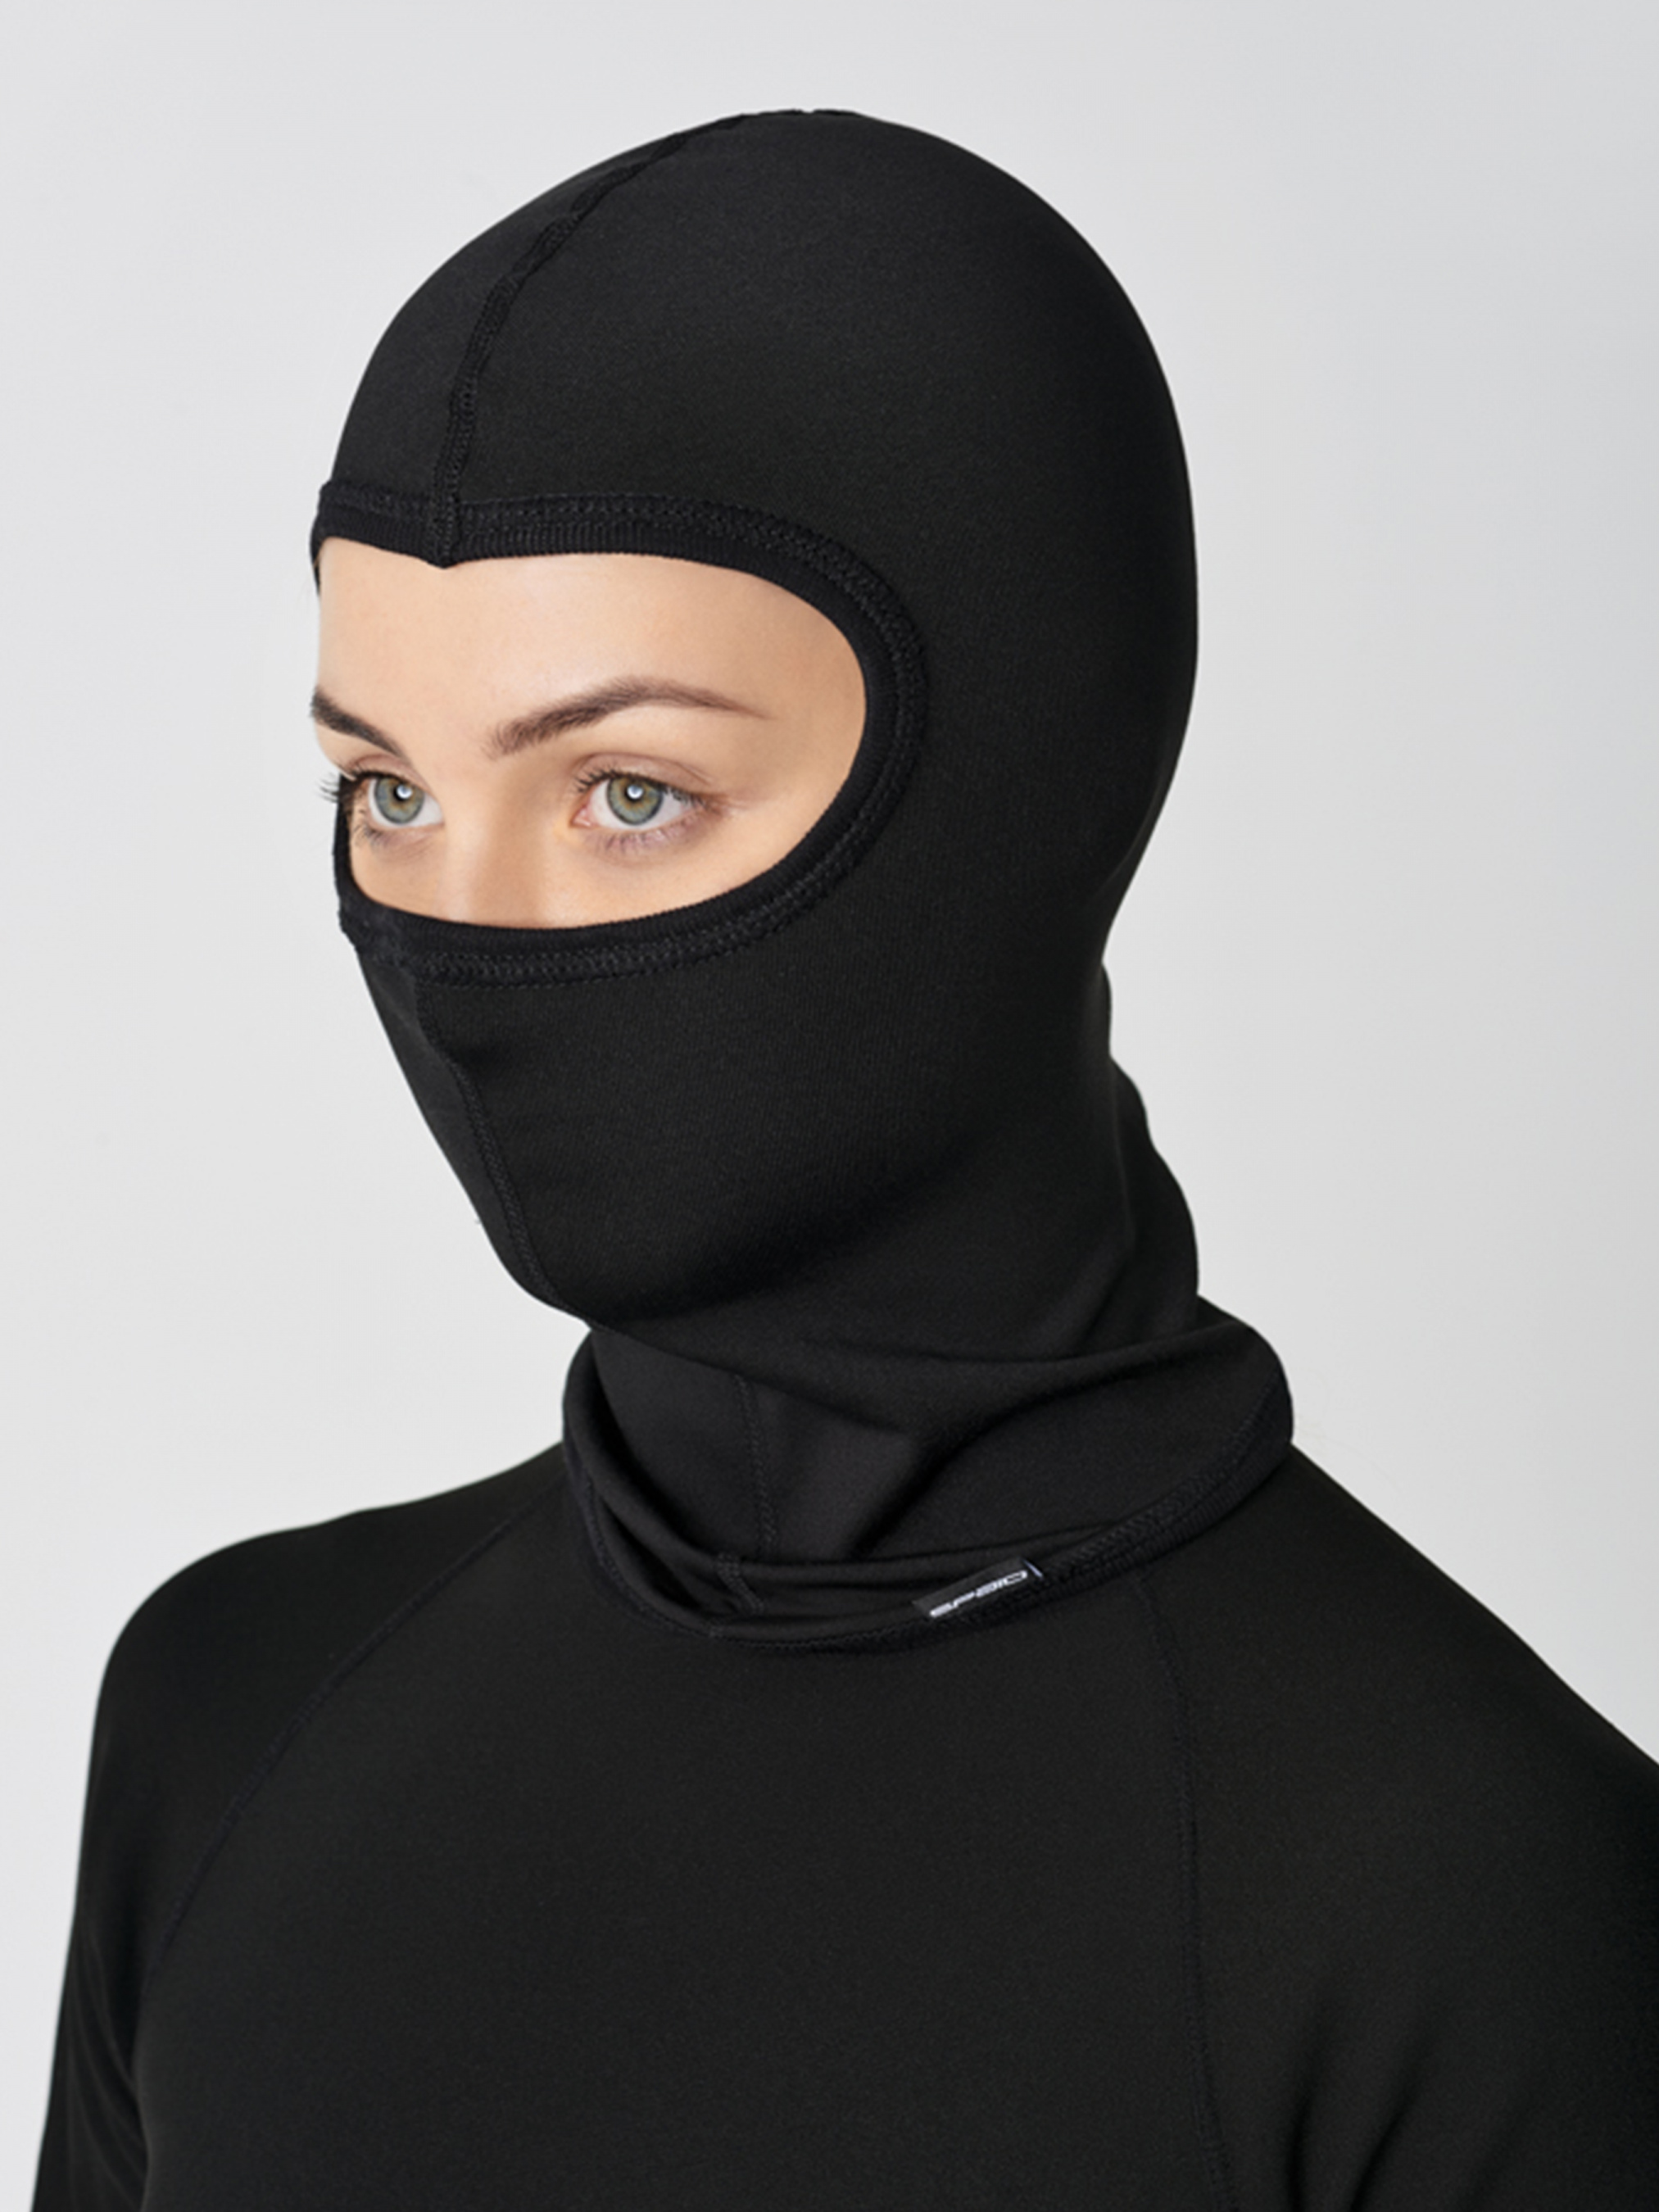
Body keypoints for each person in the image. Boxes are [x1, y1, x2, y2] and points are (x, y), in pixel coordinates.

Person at [34, 107, 1659, 2211]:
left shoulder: (1471, 1899)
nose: (463, 941)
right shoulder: (227, 1713)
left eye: (627, 793)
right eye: (388, 792)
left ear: (1021, 774)